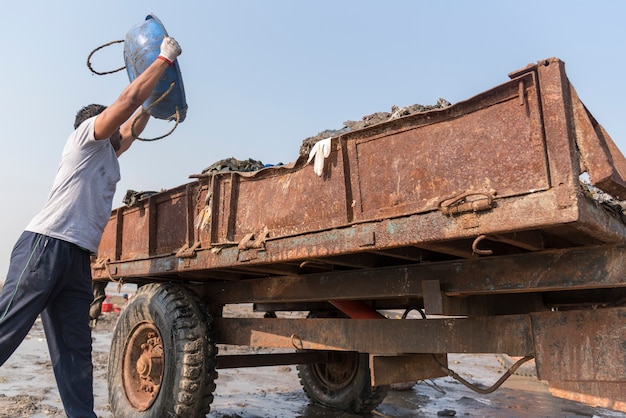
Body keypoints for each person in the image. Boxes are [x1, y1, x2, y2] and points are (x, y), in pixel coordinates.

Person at [0, 36, 182, 418]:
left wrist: (155, 101)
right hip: (44, 248)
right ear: (97, 124)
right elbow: (127, 103)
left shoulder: (109, 156)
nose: (119, 128)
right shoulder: (84, 139)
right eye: (111, 121)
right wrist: (163, 59)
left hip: (78, 259)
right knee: (6, 330)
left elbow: (133, 123)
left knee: (75, 353)